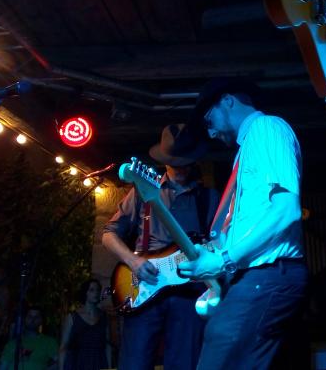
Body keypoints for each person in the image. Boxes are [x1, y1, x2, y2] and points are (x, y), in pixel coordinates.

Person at [178, 77, 308, 370]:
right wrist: (215, 250)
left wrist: (223, 259)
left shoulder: (266, 128)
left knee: (219, 357)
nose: (209, 132)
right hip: (257, 275)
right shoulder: (247, 148)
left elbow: (287, 209)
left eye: (208, 118)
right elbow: (257, 218)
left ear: (228, 101)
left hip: (268, 274)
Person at [102, 123, 219, 370]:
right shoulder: (143, 191)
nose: (181, 168)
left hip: (189, 294)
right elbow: (108, 234)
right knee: (134, 363)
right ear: (165, 160)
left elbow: (221, 243)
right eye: (175, 161)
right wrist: (133, 261)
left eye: (186, 161)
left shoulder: (209, 198)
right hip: (144, 289)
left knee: (184, 363)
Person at [59, 279, 112, 370]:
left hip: (99, 361)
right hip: (79, 362)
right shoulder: (73, 317)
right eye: (91, 290)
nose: (96, 293)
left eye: (97, 290)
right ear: (85, 293)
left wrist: (109, 368)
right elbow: (64, 346)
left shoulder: (104, 317)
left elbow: (107, 345)